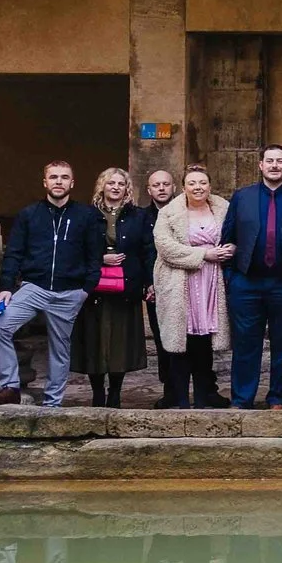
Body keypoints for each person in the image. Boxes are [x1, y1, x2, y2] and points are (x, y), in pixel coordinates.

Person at [222, 146, 282, 409]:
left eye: (280, 161)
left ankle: (278, 398)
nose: (275, 165)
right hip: (247, 282)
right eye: (270, 161)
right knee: (245, 344)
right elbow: (227, 237)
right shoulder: (242, 197)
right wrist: (231, 277)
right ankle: (241, 399)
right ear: (260, 165)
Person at [69, 167, 152, 407]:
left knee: (120, 342)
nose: (115, 187)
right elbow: (75, 248)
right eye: (110, 183)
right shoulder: (86, 214)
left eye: (121, 183)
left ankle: (115, 392)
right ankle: (97, 392)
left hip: (126, 287)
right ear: (102, 186)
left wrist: (149, 282)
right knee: (94, 340)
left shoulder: (138, 216)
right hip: (94, 287)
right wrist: (99, 259)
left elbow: (147, 250)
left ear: (127, 188)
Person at [151, 165, 229, 408]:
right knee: (180, 339)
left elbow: (234, 236)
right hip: (179, 280)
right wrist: (203, 255)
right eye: (192, 183)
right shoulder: (169, 213)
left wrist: (230, 249)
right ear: (183, 187)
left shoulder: (223, 209)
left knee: (204, 340)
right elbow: (165, 247)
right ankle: (181, 397)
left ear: (209, 186)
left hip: (212, 282)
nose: (198, 187)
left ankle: (205, 395)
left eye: (202, 182)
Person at [138, 168, 176, 397]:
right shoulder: (141, 218)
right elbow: (139, 254)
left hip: (185, 285)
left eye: (166, 184)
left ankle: (202, 388)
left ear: (174, 187)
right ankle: (170, 390)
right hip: (155, 289)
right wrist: (147, 284)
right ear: (149, 189)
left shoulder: (185, 213)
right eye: (156, 185)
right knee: (163, 339)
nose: (161, 188)